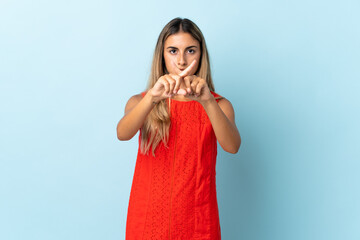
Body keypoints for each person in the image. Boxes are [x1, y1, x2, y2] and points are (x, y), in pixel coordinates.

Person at [117, 17, 241, 240]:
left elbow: (232, 146)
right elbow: (122, 133)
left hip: (198, 221)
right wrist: (153, 97)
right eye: (173, 51)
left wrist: (206, 101)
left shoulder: (219, 104)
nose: (182, 60)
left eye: (190, 51)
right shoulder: (141, 101)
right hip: (148, 219)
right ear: (162, 55)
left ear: (201, 54)